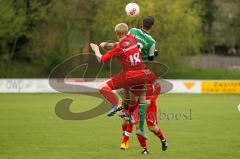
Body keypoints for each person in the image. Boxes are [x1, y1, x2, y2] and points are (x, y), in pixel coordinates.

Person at [90, 23, 155, 138]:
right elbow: (121, 44)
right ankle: (139, 127)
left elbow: (102, 60)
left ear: (117, 34)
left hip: (129, 75)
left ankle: (116, 104)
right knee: (139, 100)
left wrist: (96, 49)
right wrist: (105, 44)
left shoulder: (118, 47)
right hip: (142, 74)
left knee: (103, 87)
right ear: (127, 32)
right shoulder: (132, 39)